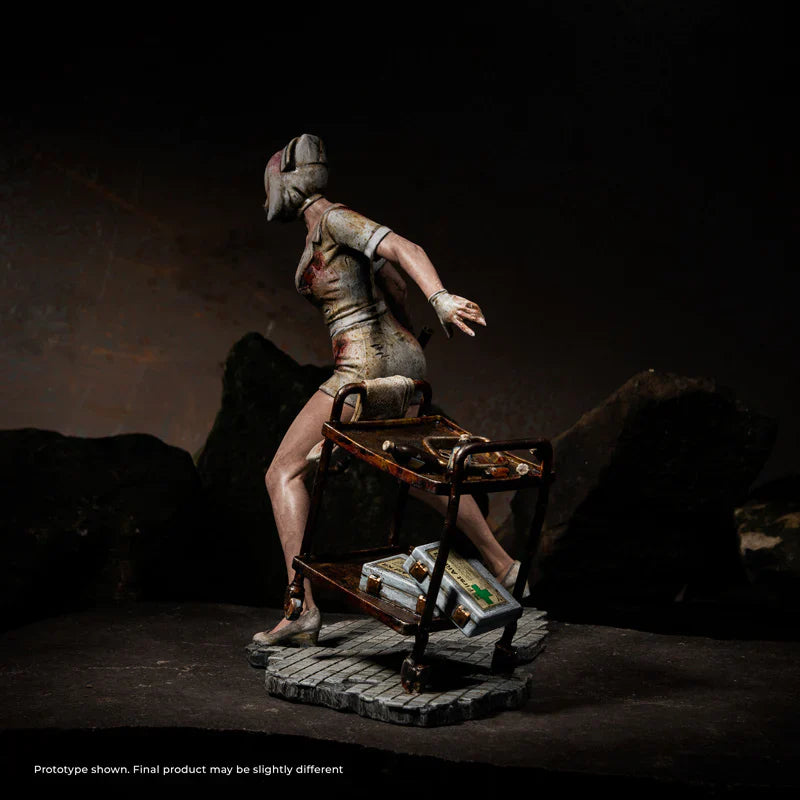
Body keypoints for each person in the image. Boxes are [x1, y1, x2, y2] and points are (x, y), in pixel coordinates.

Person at [252, 134, 525, 645]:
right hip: (400, 359)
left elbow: (405, 249)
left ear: (286, 181)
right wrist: (406, 338)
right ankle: (503, 563)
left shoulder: (332, 219)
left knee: (281, 472)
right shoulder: (325, 229)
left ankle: (300, 607)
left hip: (361, 366)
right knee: (413, 466)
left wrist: (441, 299)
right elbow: (394, 283)